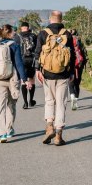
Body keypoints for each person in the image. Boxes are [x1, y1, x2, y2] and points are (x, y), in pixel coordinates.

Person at [36, 10, 75, 146]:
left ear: (50, 19)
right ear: (61, 19)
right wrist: (72, 73)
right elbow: (73, 55)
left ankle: (49, 127)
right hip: (63, 74)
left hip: (47, 74)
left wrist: (37, 70)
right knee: (61, 103)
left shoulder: (43, 33)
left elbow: (37, 52)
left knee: (49, 101)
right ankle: (59, 135)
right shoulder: (67, 34)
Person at [0, 24, 27, 143]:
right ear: (10, 33)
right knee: (11, 105)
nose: (15, 33)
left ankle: (2, 134)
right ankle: (9, 128)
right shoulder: (14, 45)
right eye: (13, 32)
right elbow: (18, 64)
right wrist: (24, 79)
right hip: (12, 80)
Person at [16, 21, 40, 109]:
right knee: (32, 80)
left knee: (24, 81)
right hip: (32, 60)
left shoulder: (17, 37)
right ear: (28, 27)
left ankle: (25, 102)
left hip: (22, 60)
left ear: (21, 28)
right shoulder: (33, 36)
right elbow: (38, 48)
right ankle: (31, 100)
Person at [67, 28, 88, 109]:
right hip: (79, 64)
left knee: (71, 83)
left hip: (69, 65)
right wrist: (89, 68)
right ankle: (75, 101)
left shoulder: (66, 40)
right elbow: (85, 54)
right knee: (77, 84)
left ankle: (72, 97)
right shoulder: (79, 41)